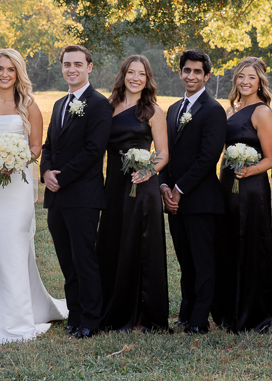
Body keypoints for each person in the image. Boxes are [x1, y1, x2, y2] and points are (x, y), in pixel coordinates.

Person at [0, 48, 67, 342]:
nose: (4, 74)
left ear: (18, 73)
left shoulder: (28, 105)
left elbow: (35, 147)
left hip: (17, 187)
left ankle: (17, 317)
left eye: (10, 69)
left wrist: (14, 161)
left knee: (14, 247)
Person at [211, 56, 272, 333]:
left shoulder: (262, 112)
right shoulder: (231, 110)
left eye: (251, 78)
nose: (245, 82)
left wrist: (250, 170)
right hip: (227, 185)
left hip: (250, 188)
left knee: (251, 243)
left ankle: (256, 312)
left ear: (260, 82)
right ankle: (230, 309)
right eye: (241, 77)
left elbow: (271, 158)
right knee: (229, 243)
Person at [40, 44, 113, 339]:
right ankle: (75, 313)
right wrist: (46, 172)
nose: (72, 69)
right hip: (56, 195)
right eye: (67, 64)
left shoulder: (98, 103)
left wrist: (63, 176)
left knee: (84, 258)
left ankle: (91, 319)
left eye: (78, 64)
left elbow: (95, 150)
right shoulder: (59, 104)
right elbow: (48, 146)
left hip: (83, 195)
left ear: (89, 67)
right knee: (66, 260)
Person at [96, 55, 170, 332]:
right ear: (123, 75)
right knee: (113, 242)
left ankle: (141, 313)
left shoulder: (153, 110)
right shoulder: (109, 107)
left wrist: (149, 171)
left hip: (142, 185)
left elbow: (162, 153)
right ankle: (109, 306)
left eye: (141, 73)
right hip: (113, 185)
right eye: (131, 72)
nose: (136, 78)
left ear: (147, 78)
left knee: (138, 246)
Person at [161, 49, 224, 333]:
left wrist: (179, 188)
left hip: (200, 200)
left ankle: (200, 319)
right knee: (185, 261)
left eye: (198, 71)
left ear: (207, 76)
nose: (192, 76)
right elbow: (163, 153)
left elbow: (208, 156)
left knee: (203, 262)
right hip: (174, 201)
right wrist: (164, 186)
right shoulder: (173, 109)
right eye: (187, 70)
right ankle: (185, 313)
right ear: (180, 72)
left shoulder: (213, 110)